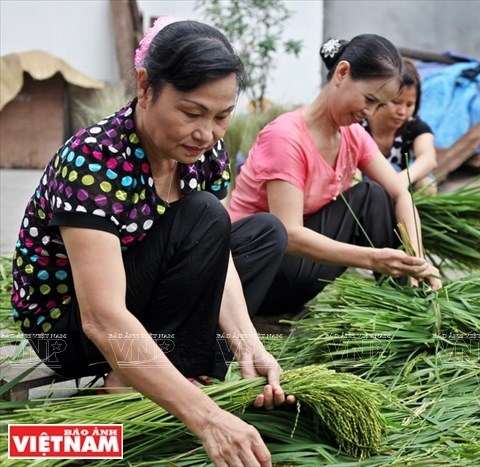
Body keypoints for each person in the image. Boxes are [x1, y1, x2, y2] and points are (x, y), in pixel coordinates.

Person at [11, 18, 293, 467]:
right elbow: (101, 318)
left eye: (222, 116)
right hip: (73, 329)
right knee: (204, 214)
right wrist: (207, 419)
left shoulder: (204, 152)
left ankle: (177, 365)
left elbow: (214, 252)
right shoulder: (94, 160)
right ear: (145, 88)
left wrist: (247, 342)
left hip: (150, 302)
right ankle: (129, 380)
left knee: (262, 233)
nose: (207, 133)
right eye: (191, 112)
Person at [228, 35, 442, 316]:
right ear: (342, 73)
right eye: (369, 99)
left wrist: (418, 259)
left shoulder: (352, 135)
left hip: (299, 271)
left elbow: (399, 191)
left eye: (378, 106)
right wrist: (374, 258)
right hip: (257, 277)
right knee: (278, 226)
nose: (369, 112)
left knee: (373, 195)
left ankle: (409, 302)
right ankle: (403, 298)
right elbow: (288, 233)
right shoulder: (286, 137)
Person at [360, 58, 438, 194]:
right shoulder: (359, 123)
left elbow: (428, 159)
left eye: (409, 105)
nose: (402, 112)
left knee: (427, 184)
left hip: (402, 184)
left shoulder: (415, 126)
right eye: (396, 102)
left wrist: (401, 180)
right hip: (367, 185)